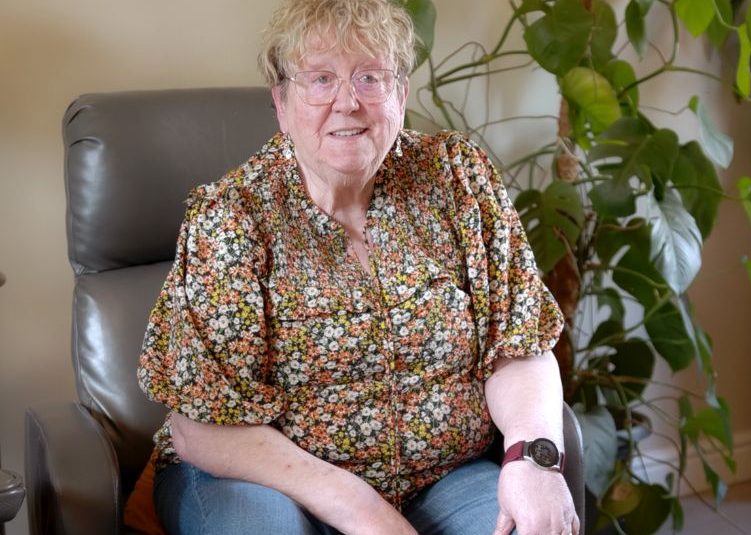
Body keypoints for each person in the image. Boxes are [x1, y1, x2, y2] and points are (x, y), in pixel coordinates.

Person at [137, 0, 578, 534]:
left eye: (370, 77)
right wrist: (366, 512)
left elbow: (517, 344)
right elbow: (200, 426)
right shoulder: (233, 217)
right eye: (320, 80)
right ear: (281, 102)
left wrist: (531, 458)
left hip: (442, 477)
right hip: (264, 483)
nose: (347, 103)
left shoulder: (458, 180)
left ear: (402, 94)